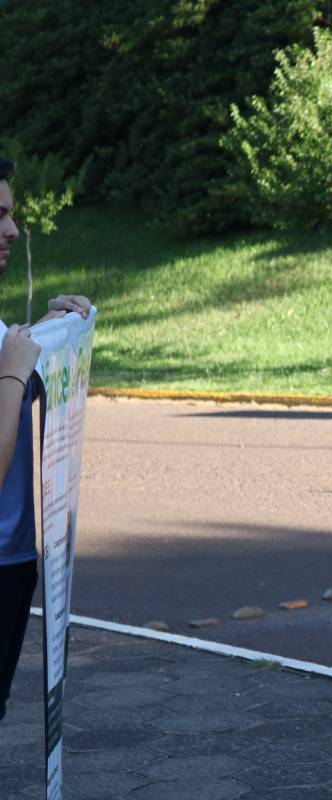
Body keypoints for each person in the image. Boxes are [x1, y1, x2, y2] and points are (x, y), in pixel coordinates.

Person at [0, 154, 92, 722]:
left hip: (14, 562)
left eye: (10, 214)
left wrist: (52, 337)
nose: (12, 229)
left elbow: (12, 389)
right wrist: (14, 372)